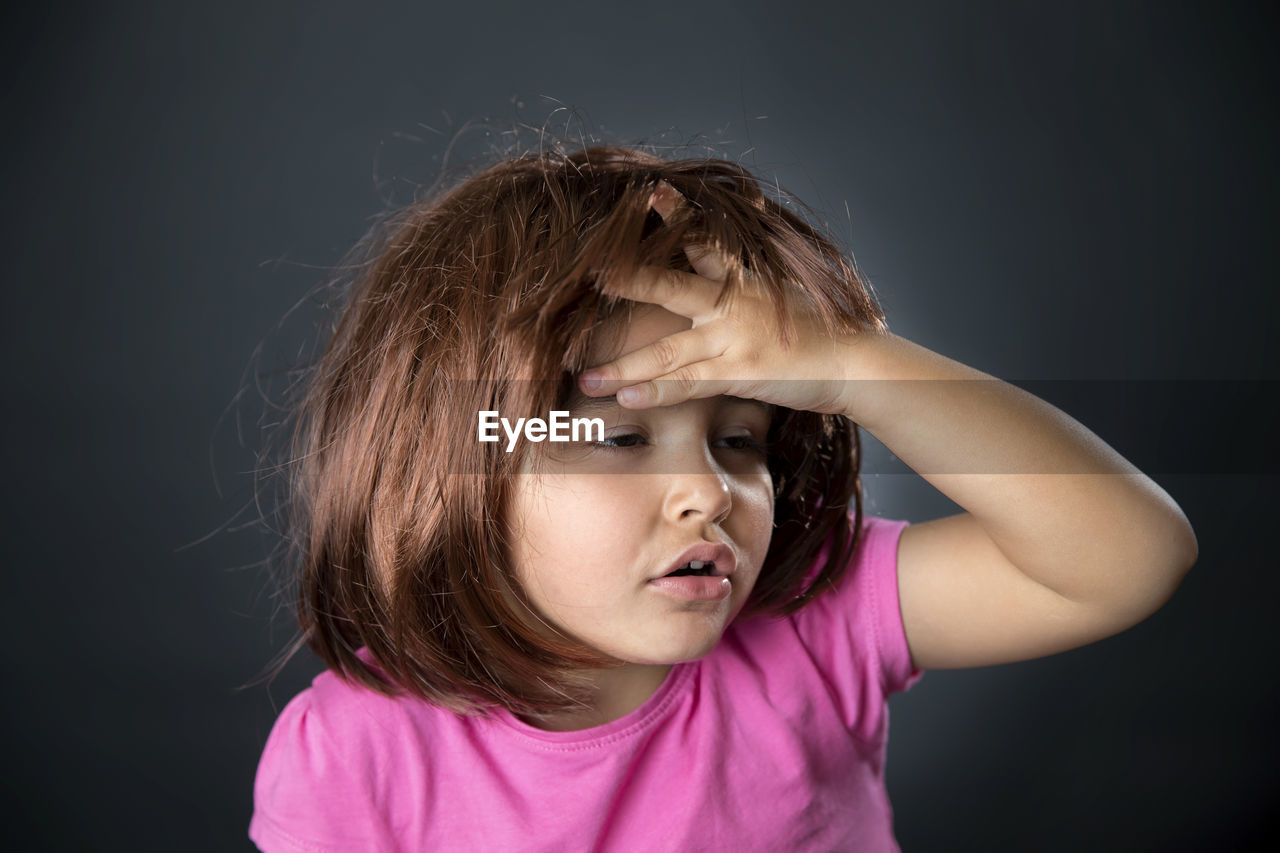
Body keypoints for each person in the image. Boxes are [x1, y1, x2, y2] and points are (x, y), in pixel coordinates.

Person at [248, 143, 1197, 851]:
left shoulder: (816, 620)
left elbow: (1128, 558)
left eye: (739, 440)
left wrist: (852, 366)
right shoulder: (353, 752)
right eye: (621, 437)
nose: (706, 489)